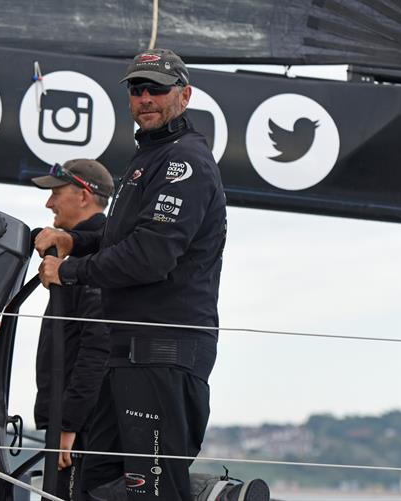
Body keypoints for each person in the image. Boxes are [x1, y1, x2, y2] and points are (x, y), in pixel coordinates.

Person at [36, 49, 268, 501]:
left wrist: (70, 271)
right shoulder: (149, 157)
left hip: (163, 352)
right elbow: (127, 238)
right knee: (92, 486)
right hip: (126, 355)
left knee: (152, 492)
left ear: (184, 95)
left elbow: (150, 256)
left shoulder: (185, 162)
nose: (145, 98)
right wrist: (75, 242)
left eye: (156, 89)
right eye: (136, 89)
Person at [31, 159, 114, 501]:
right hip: (77, 423)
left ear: (83, 196)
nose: (49, 203)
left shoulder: (96, 259)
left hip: (84, 429)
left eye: (56, 193)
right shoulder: (91, 252)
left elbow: (98, 345)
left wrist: (68, 424)